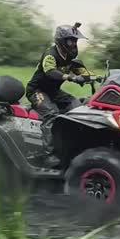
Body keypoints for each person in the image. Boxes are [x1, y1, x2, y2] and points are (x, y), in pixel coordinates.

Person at [26, 23, 93, 166]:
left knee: (76, 106)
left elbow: (85, 73)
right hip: (37, 91)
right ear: (61, 41)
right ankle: (48, 155)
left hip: (53, 92)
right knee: (51, 114)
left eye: (75, 41)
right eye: (71, 41)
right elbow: (50, 71)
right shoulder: (50, 55)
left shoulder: (71, 59)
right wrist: (71, 78)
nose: (74, 44)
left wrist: (99, 78)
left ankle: (70, 145)